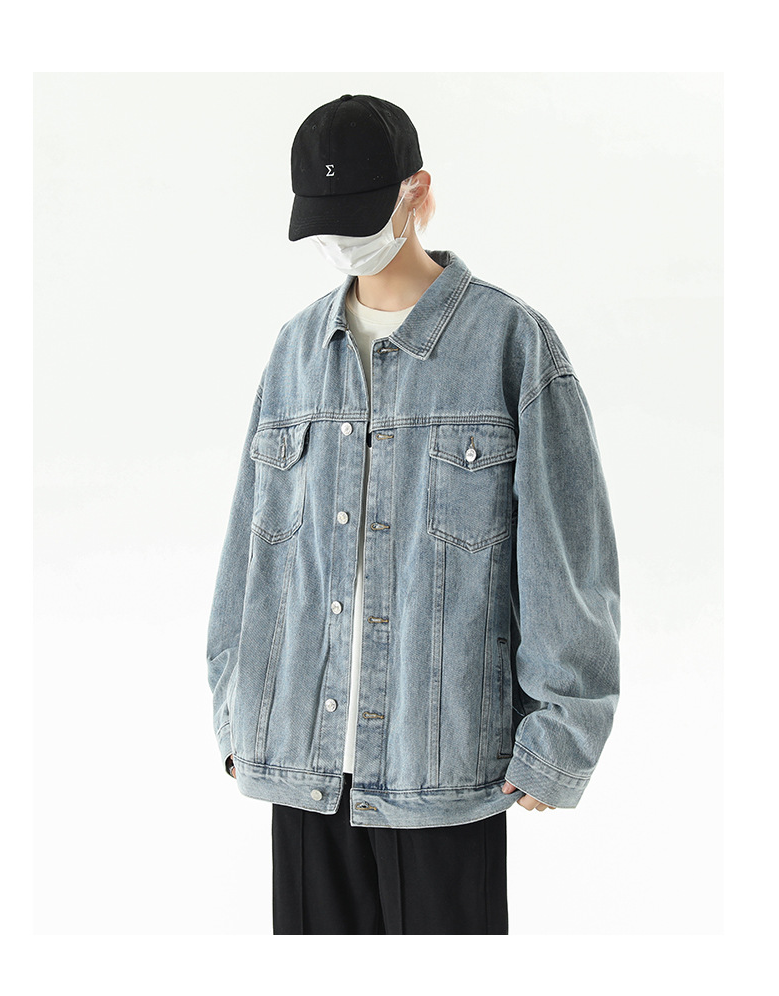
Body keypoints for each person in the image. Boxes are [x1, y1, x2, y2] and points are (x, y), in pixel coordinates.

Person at [207, 93, 621, 934]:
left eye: (358, 216)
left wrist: (560, 736)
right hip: (300, 760)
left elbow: (566, 555)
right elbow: (253, 550)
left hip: (445, 768)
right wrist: (235, 713)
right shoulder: (295, 350)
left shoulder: (510, 343)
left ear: (417, 192)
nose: (341, 241)